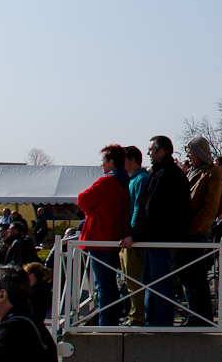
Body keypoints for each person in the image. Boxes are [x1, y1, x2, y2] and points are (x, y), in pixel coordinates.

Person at [120, 136, 190, 327]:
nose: (148, 153)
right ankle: (153, 322)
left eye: (151, 150)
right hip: (158, 237)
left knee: (160, 283)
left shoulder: (165, 174)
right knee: (150, 282)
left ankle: (161, 324)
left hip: (161, 238)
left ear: (161, 151)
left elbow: (153, 211)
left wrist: (136, 235)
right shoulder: (163, 173)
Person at [77, 144, 131, 327]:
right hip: (115, 239)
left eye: (103, 161)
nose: (101, 164)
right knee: (111, 284)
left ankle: (106, 325)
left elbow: (82, 200)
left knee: (103, 286)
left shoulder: (106, 181)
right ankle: (111, 321)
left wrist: (91, 210)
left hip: (99, 239)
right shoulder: (126, 181)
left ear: (111, 162)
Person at [178, 136, 222, 326]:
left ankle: (202, 316)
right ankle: (193, 314)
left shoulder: (212, 173)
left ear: (199, 152)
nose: (188, 155)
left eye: (190, 152)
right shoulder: (193, 171)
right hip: (187, 230)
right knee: (187, 277)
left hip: (196, 232)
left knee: (196, 275)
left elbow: (210, 207)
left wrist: (192, 227)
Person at [120, 145, 149, 327]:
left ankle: (137, 317)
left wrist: (133, 233)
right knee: (129, 280)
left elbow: (139, 208)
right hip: (129, 238)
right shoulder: (134, 179)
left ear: (132, 159)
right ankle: (135, 314)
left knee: (134, 281)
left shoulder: (141, 179)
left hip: (134, 240)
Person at [24, 262, 53, 326]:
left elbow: (33, 314)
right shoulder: (44, 289)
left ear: (32, 276)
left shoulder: (33, 293)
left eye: (25, 275)